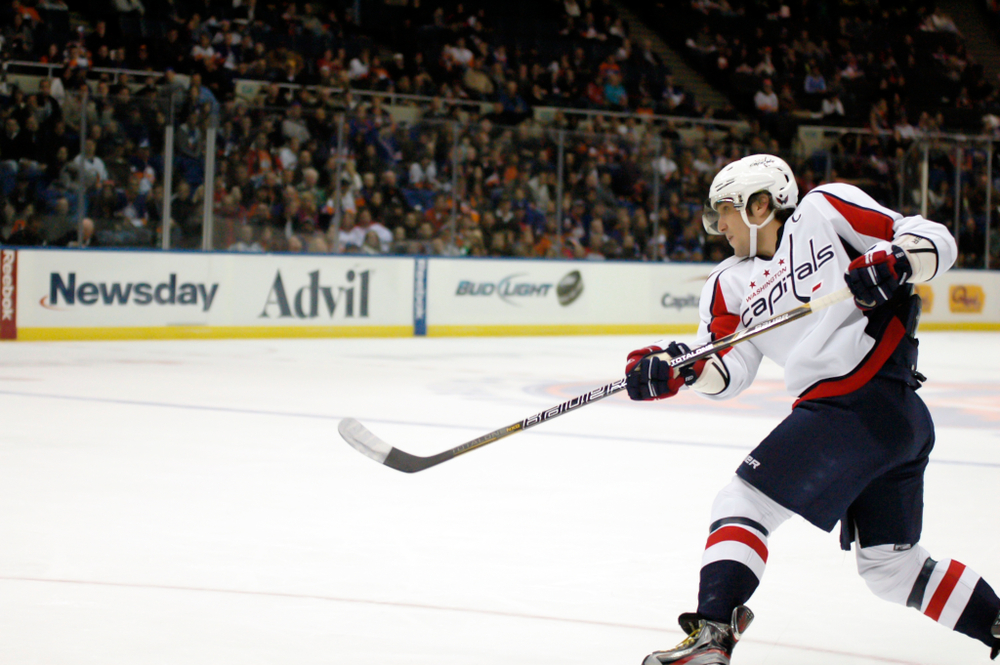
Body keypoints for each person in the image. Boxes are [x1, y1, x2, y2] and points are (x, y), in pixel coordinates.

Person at [625, 154, 1000, 664]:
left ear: (761, 204)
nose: (720, 225)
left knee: (744, 502)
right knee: (892, 569)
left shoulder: (823, 211)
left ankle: (712, 637)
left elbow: (935, 239)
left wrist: (901, 261)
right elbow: (729, 370)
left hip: (860, 402)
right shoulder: (728, 283)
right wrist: (683, 368)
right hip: (879, 421)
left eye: (726, 210)